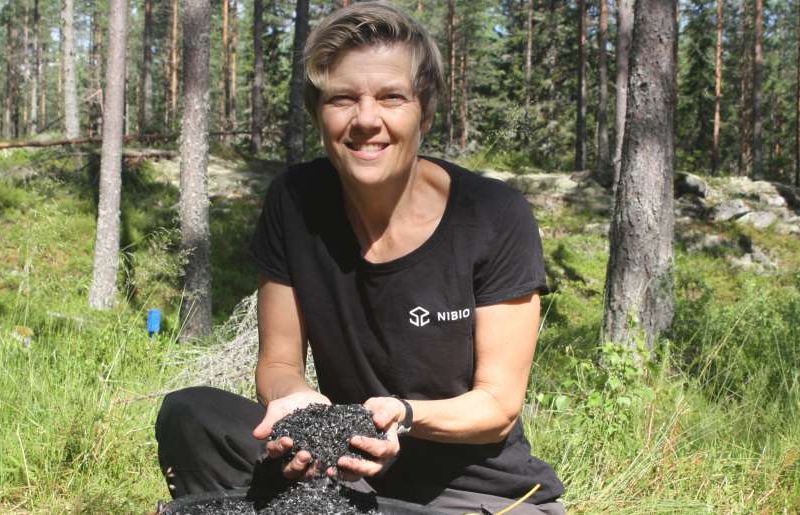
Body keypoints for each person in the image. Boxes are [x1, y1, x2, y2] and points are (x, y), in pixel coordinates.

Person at [154, 2, 566, 513]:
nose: (366, 120)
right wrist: (297, 403)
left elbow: (498, 406)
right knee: (191, 414)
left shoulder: (492, 215)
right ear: (317, 113)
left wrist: (404, 417)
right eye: (342, 99)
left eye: (392, 98)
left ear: (426, 113)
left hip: (469, 489)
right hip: (340, 463)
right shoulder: (295, 201)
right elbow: (280, 362)